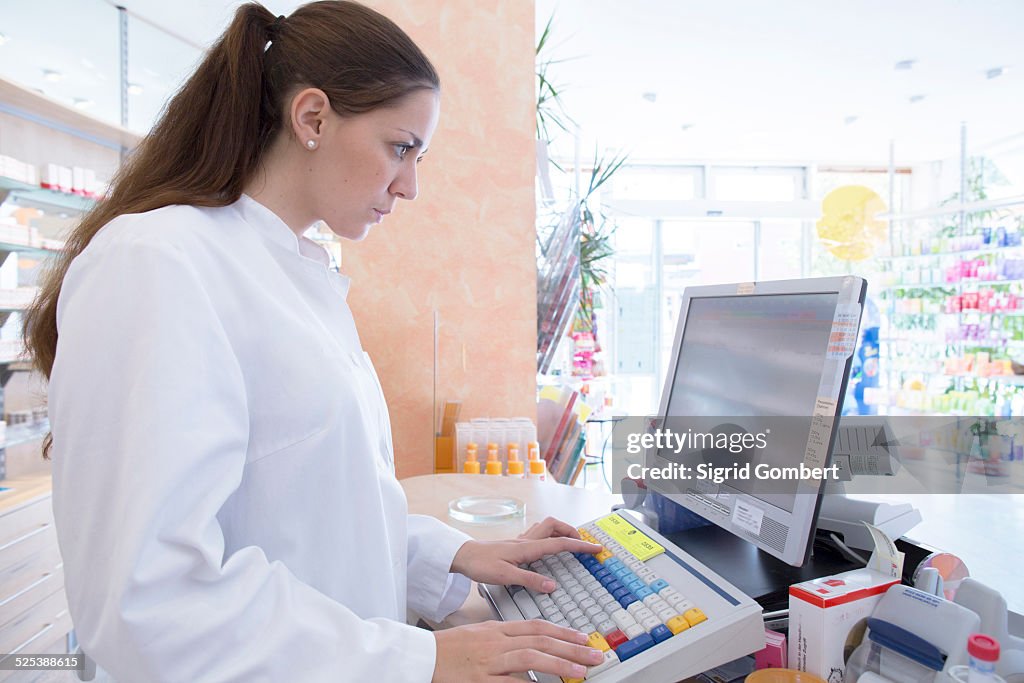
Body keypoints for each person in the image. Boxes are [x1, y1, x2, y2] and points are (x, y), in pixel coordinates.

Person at [23, 3, 606, 681]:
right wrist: (418, 657)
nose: (410, 185)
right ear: (312, 118)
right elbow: (151, 599)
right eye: (400, 147)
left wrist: (456, 555)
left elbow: (310, 509)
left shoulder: (299, 273)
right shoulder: (158, 261)